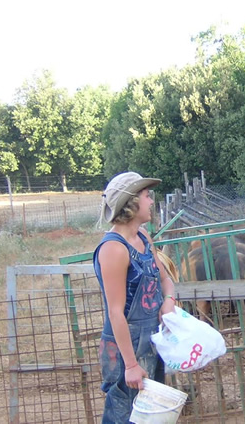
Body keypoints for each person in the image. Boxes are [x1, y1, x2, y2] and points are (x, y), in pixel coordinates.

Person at [93, 172, 176, 423]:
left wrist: (168, 301)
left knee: (149, 415)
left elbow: (165, 279)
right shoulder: (113, 249)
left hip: (150, 340)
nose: (151, 202)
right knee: (124, 415)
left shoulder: (143, 237)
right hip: (124, 348)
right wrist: (130, 364)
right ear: (131, 203)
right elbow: (115, 312)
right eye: (146, 196)